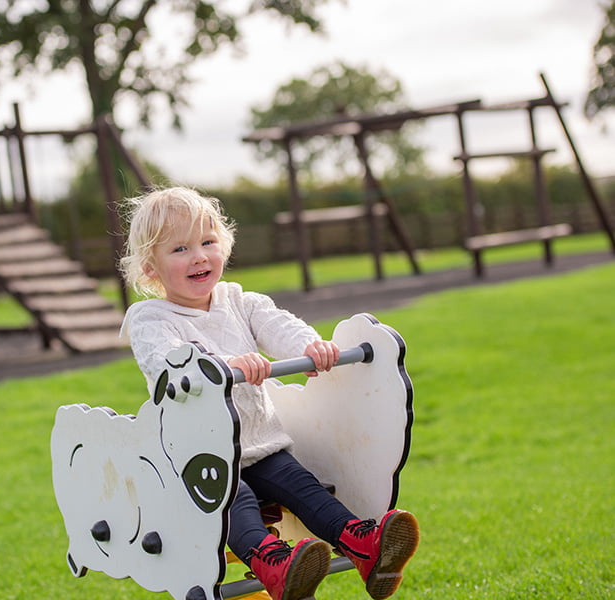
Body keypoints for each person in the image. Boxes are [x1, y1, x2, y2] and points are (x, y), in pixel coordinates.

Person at [118, 187, 419, 600]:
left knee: (303, 485)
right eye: (181, 249)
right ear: (151, 268)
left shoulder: (238, 300)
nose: (199, 256)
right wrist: (230, 364)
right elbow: (167, 363)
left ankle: (361, 543)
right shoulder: (150, 318)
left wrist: (310, 347)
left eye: (208, 242)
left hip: (259, 440)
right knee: (232, 499)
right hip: (198, 454)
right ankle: (272, 563)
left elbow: (279, 325)